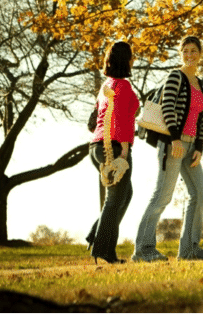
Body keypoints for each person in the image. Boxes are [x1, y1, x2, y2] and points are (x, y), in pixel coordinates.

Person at [133, 35, 203, 261]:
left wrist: (199, 147)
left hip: (191, 146)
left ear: (200, 54)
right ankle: (143, 249)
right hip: (172, 143)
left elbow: (201, 119)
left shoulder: (202, 85)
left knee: (199, 194)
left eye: (194, 51)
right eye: (185, 51)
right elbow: (167, 107)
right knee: (162, 196)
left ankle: (189, 249)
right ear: (181, 53)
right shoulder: (175, 77)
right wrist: (175, 139)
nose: (189, 55)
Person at [86, 41, 139, 264]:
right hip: (114, 146)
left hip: (95, 146)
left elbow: (94, 120)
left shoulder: (107, 85)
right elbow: (121, 119)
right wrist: (124, 150)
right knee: (114, 199)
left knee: (124, 195)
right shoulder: (123, 87)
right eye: (132, 56)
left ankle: (94, 235)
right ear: (126, 60)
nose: (134, 59)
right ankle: (103, 250)